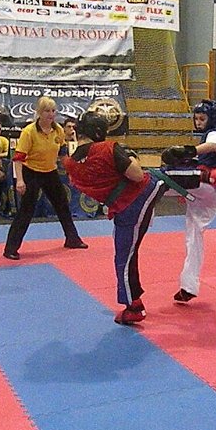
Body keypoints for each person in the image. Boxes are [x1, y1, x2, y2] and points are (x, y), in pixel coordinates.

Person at [63, 111, 167, 324]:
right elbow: (137, 175)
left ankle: (134, 306)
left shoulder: (70, 164)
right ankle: (133, 305)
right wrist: (131, 156)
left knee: (124, 255)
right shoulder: (107, 148)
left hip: (124, 205)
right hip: (138, 195)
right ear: (99, 131)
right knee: (125, 256)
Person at [162, 99, 216, 303]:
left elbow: (214, 145)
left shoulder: (215, 134)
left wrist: (189, 151)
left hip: (209, 187)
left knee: (162, 178)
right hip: (209, 195)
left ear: (211, 119)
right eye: (196, 119)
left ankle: (144, 186)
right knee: (193, 238)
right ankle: (189, 287)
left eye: (202, 118)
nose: (198, 122)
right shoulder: (206, 139)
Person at [3, 96, 87, 260]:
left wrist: (71, 172)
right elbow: (18, 158)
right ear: (39, 113)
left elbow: (62, 153)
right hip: (31, 172)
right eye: (47, 111)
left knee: (62, 205)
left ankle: (72, 239)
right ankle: (10, 248)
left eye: (53, 111)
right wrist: (20, 180)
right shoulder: (29, 132)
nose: (50, 114)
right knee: (26, 211)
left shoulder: (58, 130)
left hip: (50, 172)